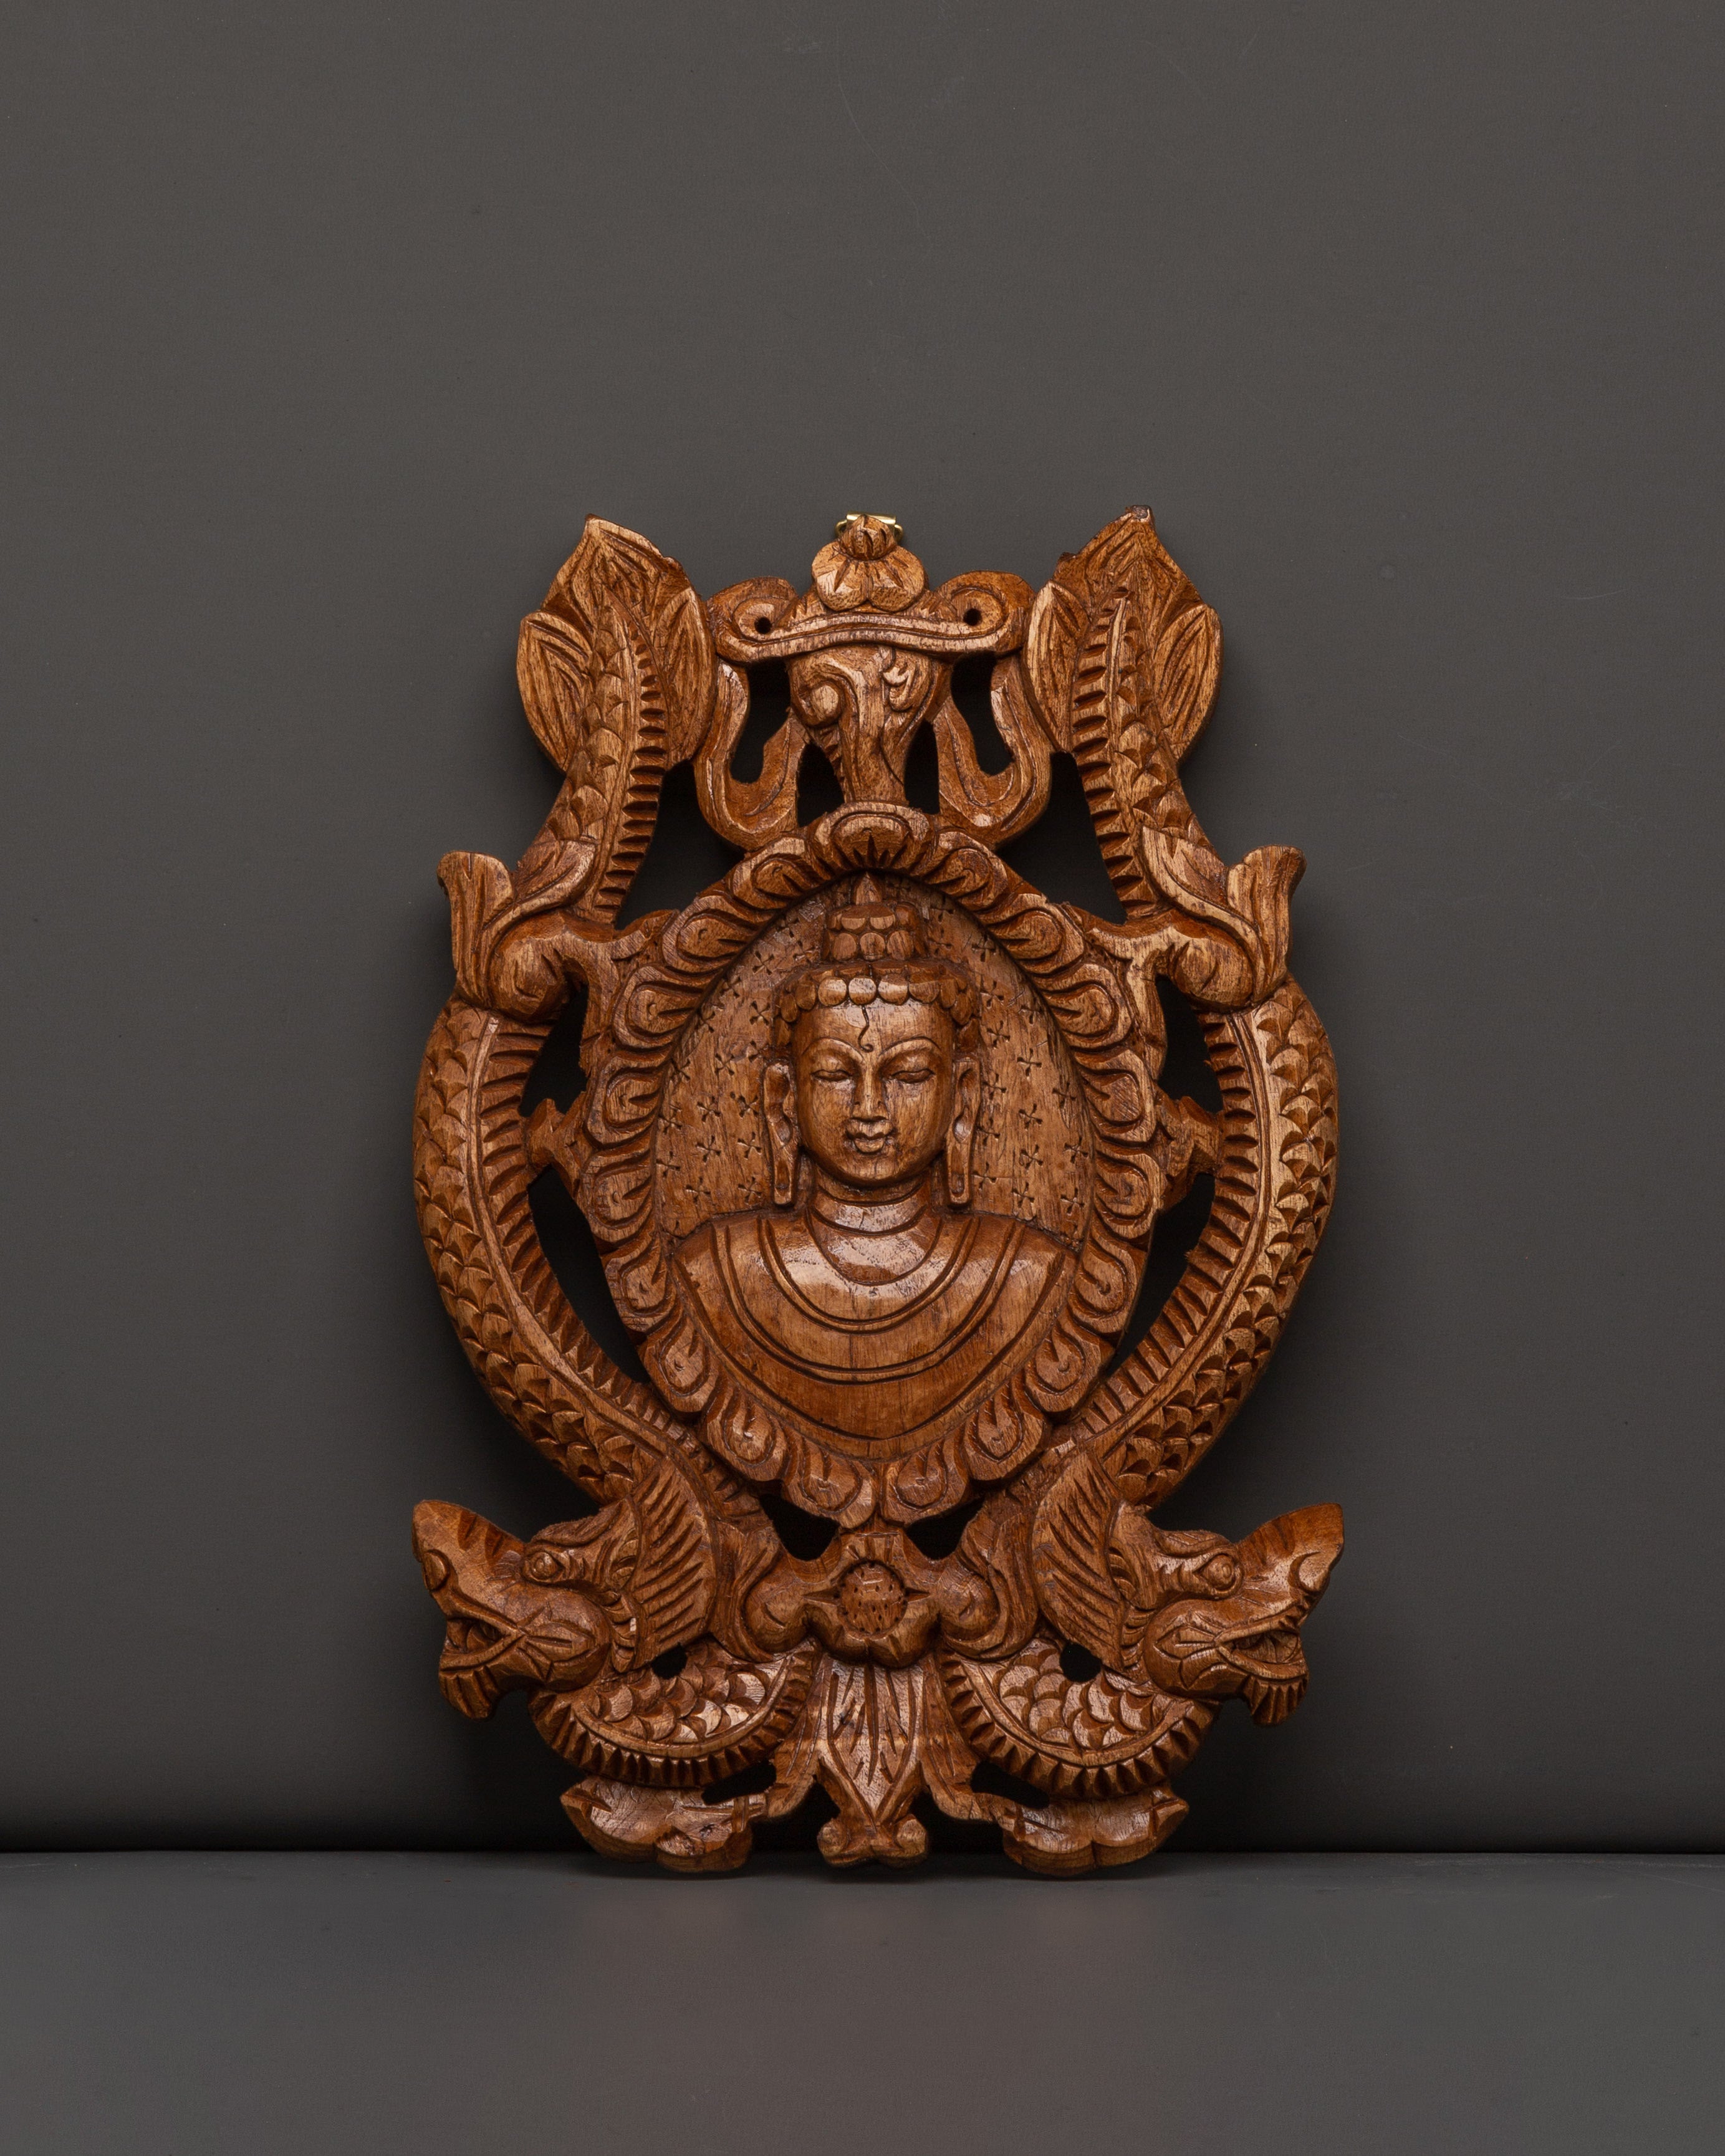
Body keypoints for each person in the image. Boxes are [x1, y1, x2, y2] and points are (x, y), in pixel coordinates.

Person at [671, 878, 1072, 1452]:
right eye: (834, 1074)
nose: (868, 1108)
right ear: (783, 1098)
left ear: (963, 1095)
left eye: (908, 1075)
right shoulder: (715, 1274)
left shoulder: (1025, 1275)